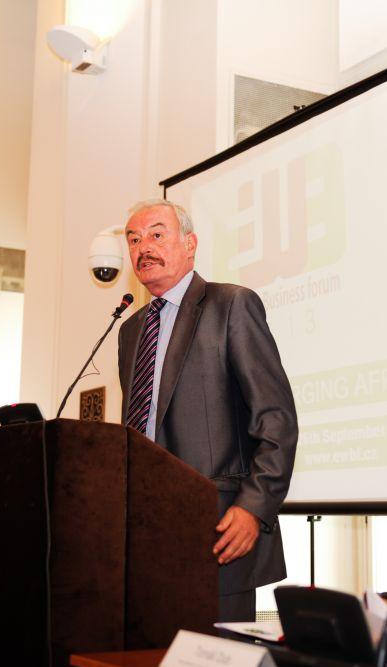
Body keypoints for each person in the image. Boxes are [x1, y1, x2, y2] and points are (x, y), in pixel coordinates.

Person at [117, 198, 297, 622]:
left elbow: (276, 420)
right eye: (134, 240)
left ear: (190, 243)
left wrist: (254, 507)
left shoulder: (231, 305)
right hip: (145, 535)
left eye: (157, 234)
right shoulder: (129, 331)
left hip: (219, 532)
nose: (144, 247)